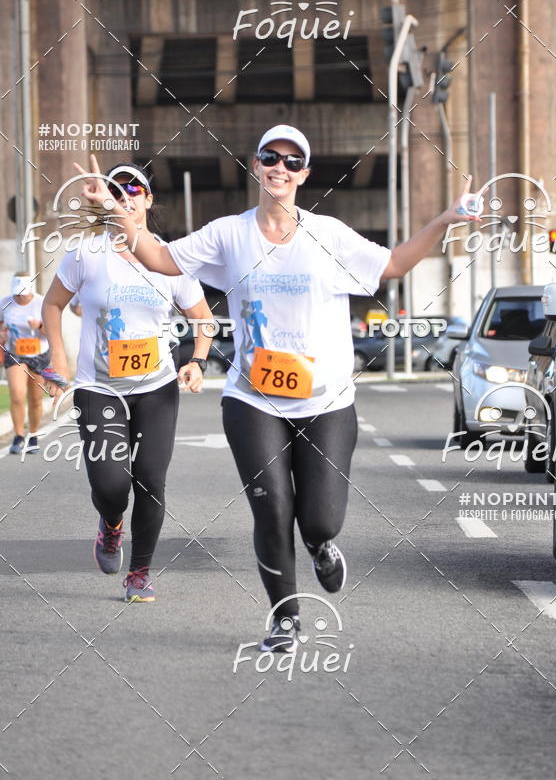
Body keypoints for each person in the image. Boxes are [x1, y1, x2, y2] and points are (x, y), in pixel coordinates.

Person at [80, 127, 480, 644]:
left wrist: (446, 220)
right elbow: (160, 260)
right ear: (256, 165)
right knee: (272, 509)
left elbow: (396, 263)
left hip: (327, 401)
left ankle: (321, 546)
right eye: (271, 157)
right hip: (253, 400)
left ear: (305, 175)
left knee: (319, 521)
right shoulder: (228, 234)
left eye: (293, 162)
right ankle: (285, 617)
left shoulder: (329, 235)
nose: (281, 168)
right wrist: (117, 214)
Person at [43, 160, 214, 603]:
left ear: (148, 200)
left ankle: (140, 573)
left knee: (151, 479)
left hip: (156, 388)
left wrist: (197, 360)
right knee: (111, 486)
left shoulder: (168, 259)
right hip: (99, 388)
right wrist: (58, 360)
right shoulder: (86, 255)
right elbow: (52, 306)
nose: (125, 197)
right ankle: (111, 525)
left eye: (133, 190)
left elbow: (204, 319)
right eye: (116, 191)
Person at [0, 273, 50, 454]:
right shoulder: (5, 303)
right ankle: (18, 435)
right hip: (15, 354)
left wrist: (39, 326)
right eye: (17, 293)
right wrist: (2, 334)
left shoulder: (41, 303)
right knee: (17, 394)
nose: (20, 296)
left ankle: (33, 435)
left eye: (24, 293)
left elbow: (52, 331)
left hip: (39, 353)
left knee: (35, 399)